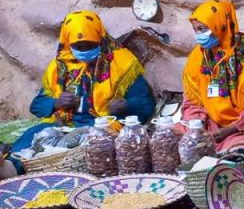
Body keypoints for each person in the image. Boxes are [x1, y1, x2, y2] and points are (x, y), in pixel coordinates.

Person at [8, 10, 155, 157]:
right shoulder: (59, 67)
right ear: (68, 43)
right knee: (31, 137)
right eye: (78, 47)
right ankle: (10, 163)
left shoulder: (121, 64)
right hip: (64, 126)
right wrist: (56, 103)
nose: (85, 51)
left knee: (92, 146)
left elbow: (146, 103)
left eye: (90, 45)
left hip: (102, 126)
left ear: (100, 39)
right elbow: (37, 106)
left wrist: (126, 105)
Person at [182, 0, 244, 152]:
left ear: (219, 24)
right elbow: (192, 101)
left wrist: (232, 129)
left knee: (238, 151)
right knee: (174, 137)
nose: (199, 36)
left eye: (202, 29)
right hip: (209, 125)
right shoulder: (198, 55)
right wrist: (197, 127)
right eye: (196, 30)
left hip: (243, 128)